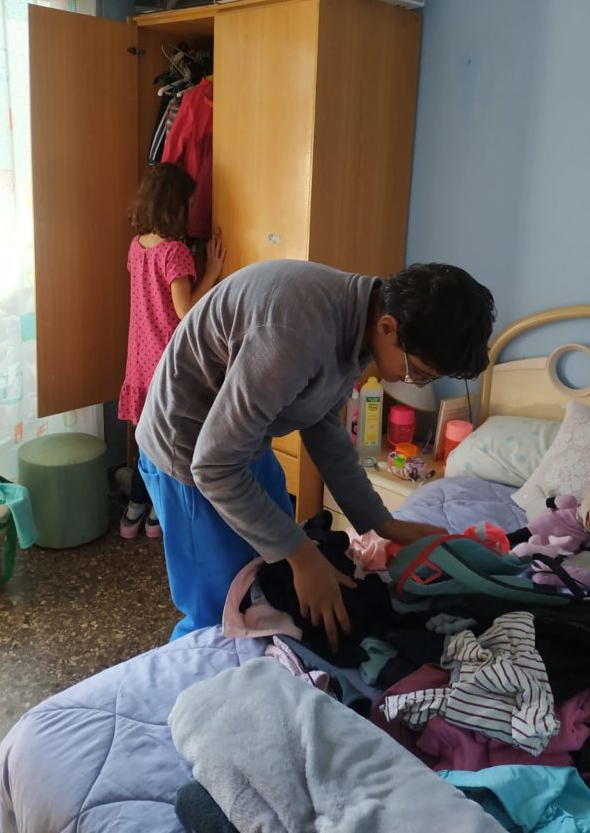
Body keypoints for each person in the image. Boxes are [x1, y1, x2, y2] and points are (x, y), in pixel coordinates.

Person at [137, 259, 496, 646]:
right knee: (220, 616)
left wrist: (380, 522)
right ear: (388, 326)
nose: (416, 381)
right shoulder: (296, 334)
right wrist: (304, 556)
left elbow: (322, 422)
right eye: (420, 372)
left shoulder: (359, 320)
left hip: (238, 444)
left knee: (267, 583)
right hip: (189, 454)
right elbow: (213, 465)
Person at [117, 163, 226, 539]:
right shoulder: (174, 252)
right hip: (168, 360)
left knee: (144, 439)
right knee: (166, 442)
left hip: (139, 360)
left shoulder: (137, 247)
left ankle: (134, 510)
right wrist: (211, 271)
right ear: (175, 206)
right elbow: (185, 311)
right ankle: (158, 514)